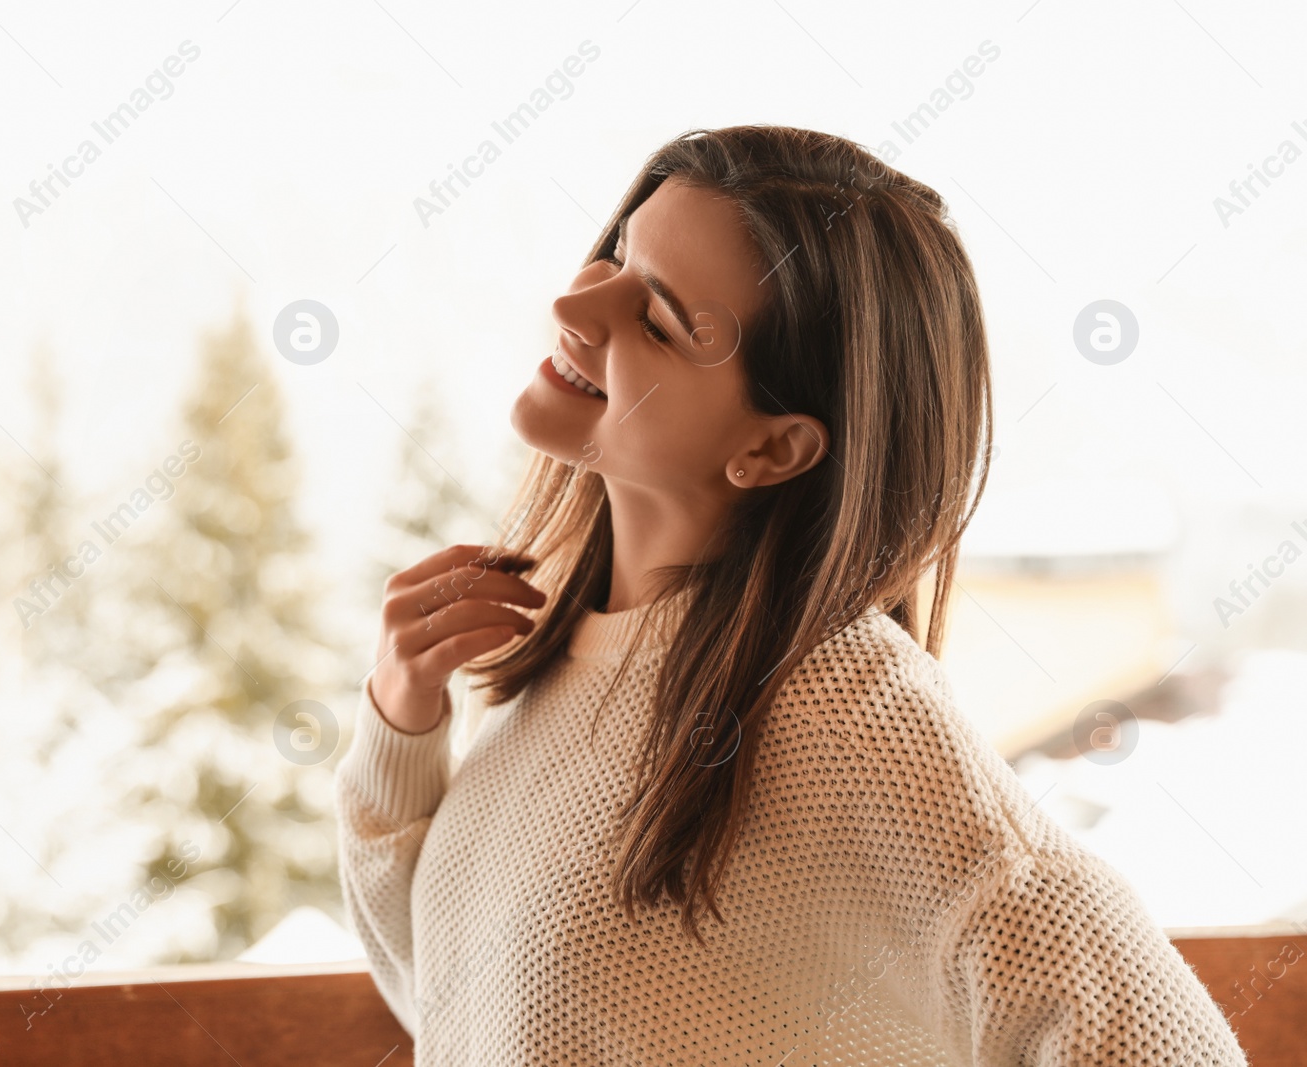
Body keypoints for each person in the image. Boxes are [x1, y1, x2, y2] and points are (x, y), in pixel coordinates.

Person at [335, 125, 1246, 1064]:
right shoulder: (567, 647)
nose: (573, 302)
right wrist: (399, 728)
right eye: (615, 255)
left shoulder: (840, 709)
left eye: (656, 321)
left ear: (772, 446)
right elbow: (456, 1009)